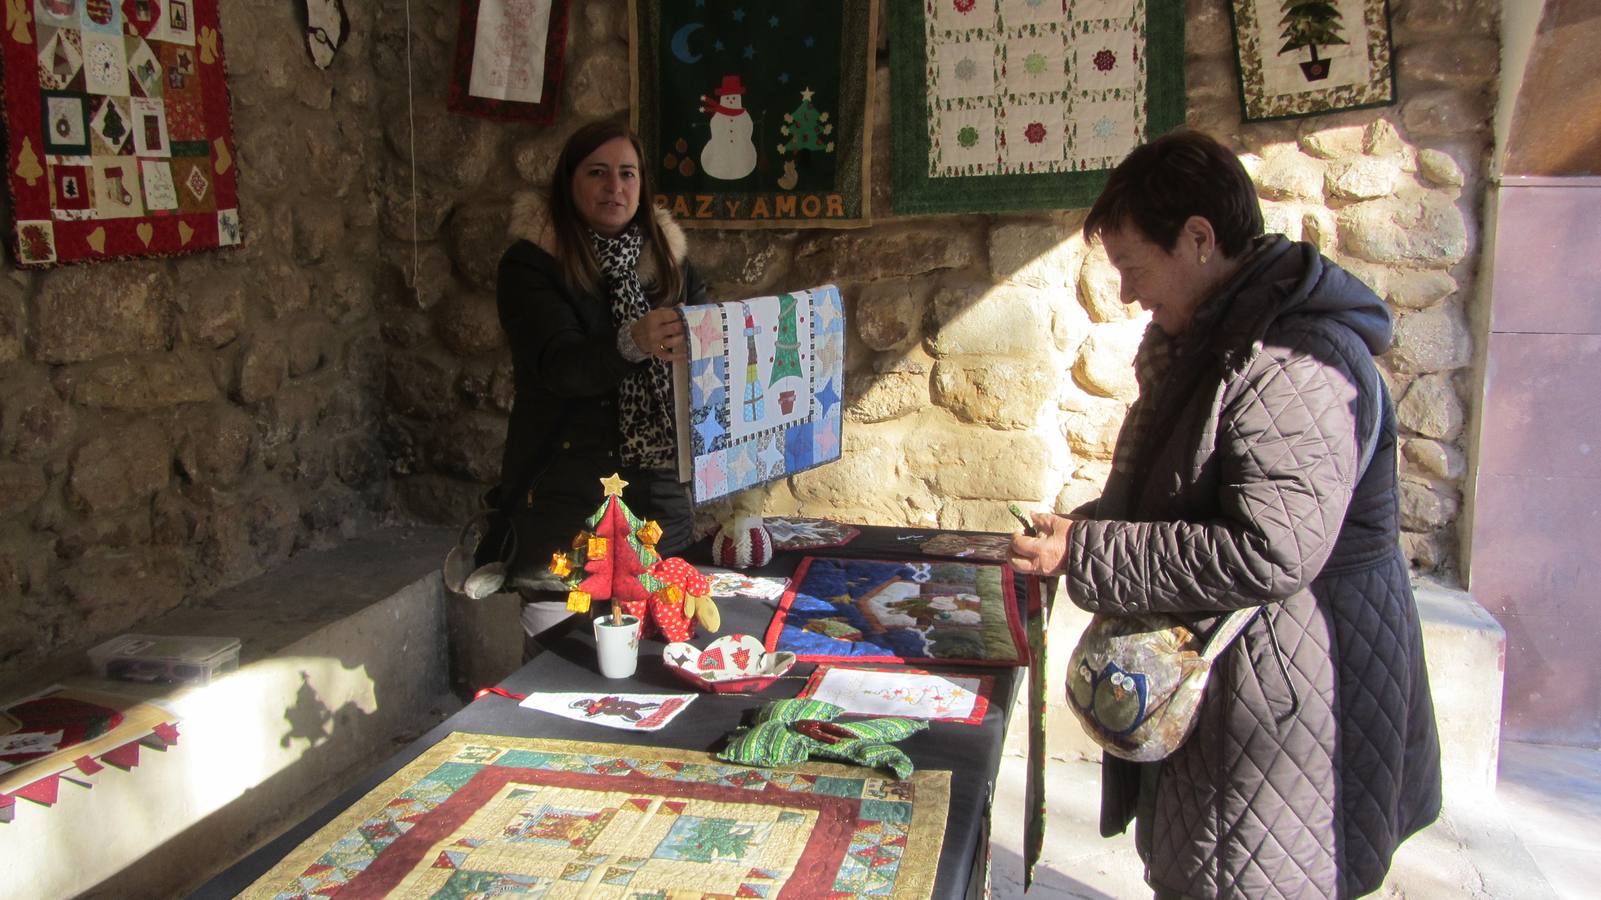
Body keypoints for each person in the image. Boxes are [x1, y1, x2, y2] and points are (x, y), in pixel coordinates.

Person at [1009, 130, 1441, 898]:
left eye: (1134, 267)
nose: (1130, 294)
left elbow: (1272, 548)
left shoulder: (1293, 363)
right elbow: (1191, 486)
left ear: (1198, 239)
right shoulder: (1227, 337)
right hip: (1247, 674)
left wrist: (1089, 552)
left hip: (1285, 694)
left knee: (1240, 879)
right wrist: (1080, 529)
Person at [494, 120, 706, 657]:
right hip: (566, 509)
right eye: (599, 173)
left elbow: (710, 364)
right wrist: (631, 341)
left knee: (661, 668)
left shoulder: (672, 270)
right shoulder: (531, 266)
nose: (615, 186)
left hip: (658, 506)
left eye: (627, 174)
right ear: (570, 182)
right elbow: (559, 368)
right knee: (561, 678)